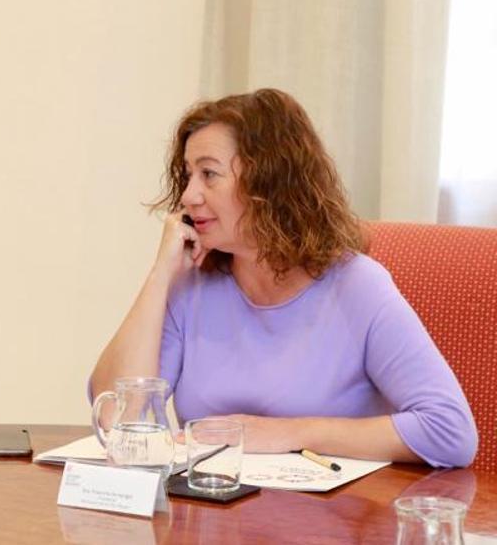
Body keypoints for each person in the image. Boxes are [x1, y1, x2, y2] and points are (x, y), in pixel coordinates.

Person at [89, 88, 477, 468]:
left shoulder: (358, 286)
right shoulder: (191, 286)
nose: (189, 195)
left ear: (268, 183)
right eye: (188, 175)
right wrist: (160, 276)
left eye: (209, 174)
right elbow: (118, 420)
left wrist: (289, 433)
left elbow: (450, 431)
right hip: (211, 517)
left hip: (329, 521)